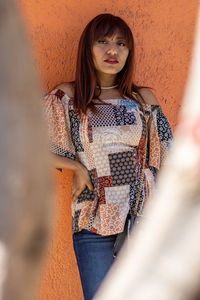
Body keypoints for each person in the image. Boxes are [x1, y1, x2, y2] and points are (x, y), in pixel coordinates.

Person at [43, 13, 173, 300]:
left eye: (121, 44)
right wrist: (75, 167)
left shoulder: (143, 100)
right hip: (93, 222)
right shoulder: (68, 98)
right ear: (87, 48)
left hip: (143, 220)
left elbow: (167, 158)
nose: (112, 50)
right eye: (102, 42)